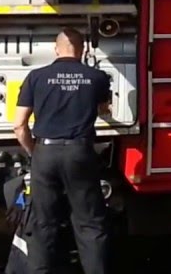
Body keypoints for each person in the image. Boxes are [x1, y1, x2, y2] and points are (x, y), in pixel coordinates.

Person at [13, 26, 113, 274]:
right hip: (80, 152)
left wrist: (34, 151)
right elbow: (104, 110)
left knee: (43, 223)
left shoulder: (36, 77)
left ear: (56, 49)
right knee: (89, 223)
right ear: (82, 49)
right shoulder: (97, 77)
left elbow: (19, 125)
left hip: (45, 153)